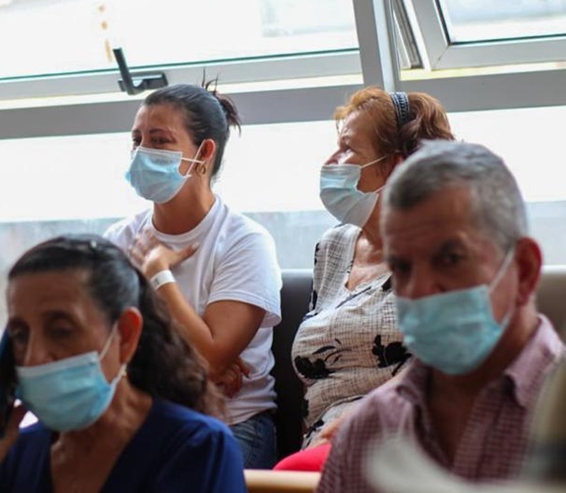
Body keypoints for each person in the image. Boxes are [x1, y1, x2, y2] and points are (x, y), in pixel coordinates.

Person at [317, 140, 565, 492]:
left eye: (450, 259)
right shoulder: (370, 432)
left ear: (523, 270)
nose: (418, 291)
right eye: (402, 267)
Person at [0, 235, 246, 492]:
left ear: (125, 336)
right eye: (20, 335)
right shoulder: (14, 455)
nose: (34, 357)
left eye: (61, 330)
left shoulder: (197, 449)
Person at [104, 83, 282, 469]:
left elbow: (212, 358)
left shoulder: (245, 241)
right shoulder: (118, 239)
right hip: (141, 422)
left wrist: (157, 274)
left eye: (159, 140)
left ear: (204, 153)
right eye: (137, 140)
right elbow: (99, 353)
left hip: (229, 424)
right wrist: (189, 369)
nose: (142, 152)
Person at [280, 88, 454, 471]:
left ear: (395, 167)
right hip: (321, 446)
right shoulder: (333, 246)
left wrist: (360, 420)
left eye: (347, 149)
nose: (330, 162)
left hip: (401, 440)